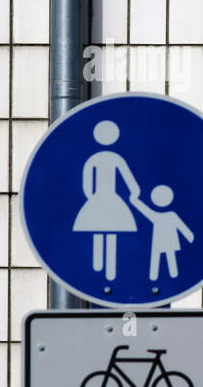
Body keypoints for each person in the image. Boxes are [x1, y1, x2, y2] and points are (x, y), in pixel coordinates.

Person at [73, 120, 140, 281]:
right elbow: (128, 177)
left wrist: (91, 196)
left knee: (100, 228)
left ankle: (101, 267)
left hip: (99, 198)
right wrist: (134, 191)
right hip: (110, 199)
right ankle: (104, 270)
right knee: (109, 230)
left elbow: (87, 182)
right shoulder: (114, 158)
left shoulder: (95, 159)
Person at [130, 185, 194, 281]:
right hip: (163, 241)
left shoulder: (162, 216)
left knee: (163, 258)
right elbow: (182, 227)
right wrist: (190, 237)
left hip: (162, 241)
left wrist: (189, 236)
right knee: (163, 257)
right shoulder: (167, 215)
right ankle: (160, 277)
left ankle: (160, 276)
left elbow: (181, 226)